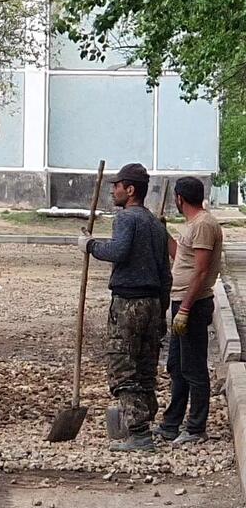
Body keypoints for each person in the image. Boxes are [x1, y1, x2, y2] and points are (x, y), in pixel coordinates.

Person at [78, 163, 171, 451]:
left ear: (130, 190)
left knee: (123, 366)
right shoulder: (156, 224)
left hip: (129, 303)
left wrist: (90, 245)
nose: (112, 191)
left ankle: (139, 432)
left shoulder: (127, 219)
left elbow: (118, 251)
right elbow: (165, 272)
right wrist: (163, 310)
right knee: (145, 367)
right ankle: (145, 425)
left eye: (116, 186)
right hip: (153, 303)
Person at [153, 177, 223, 445]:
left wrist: (184, 308)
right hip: (182, 301)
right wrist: (165, 234)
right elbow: (180, 256)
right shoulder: (193, 225)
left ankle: (196, 428)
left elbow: (201, 270)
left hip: (192, 303)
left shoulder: (204, 224)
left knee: (193, 368)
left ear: (179, 198)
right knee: (177, 366)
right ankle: (172, 423)